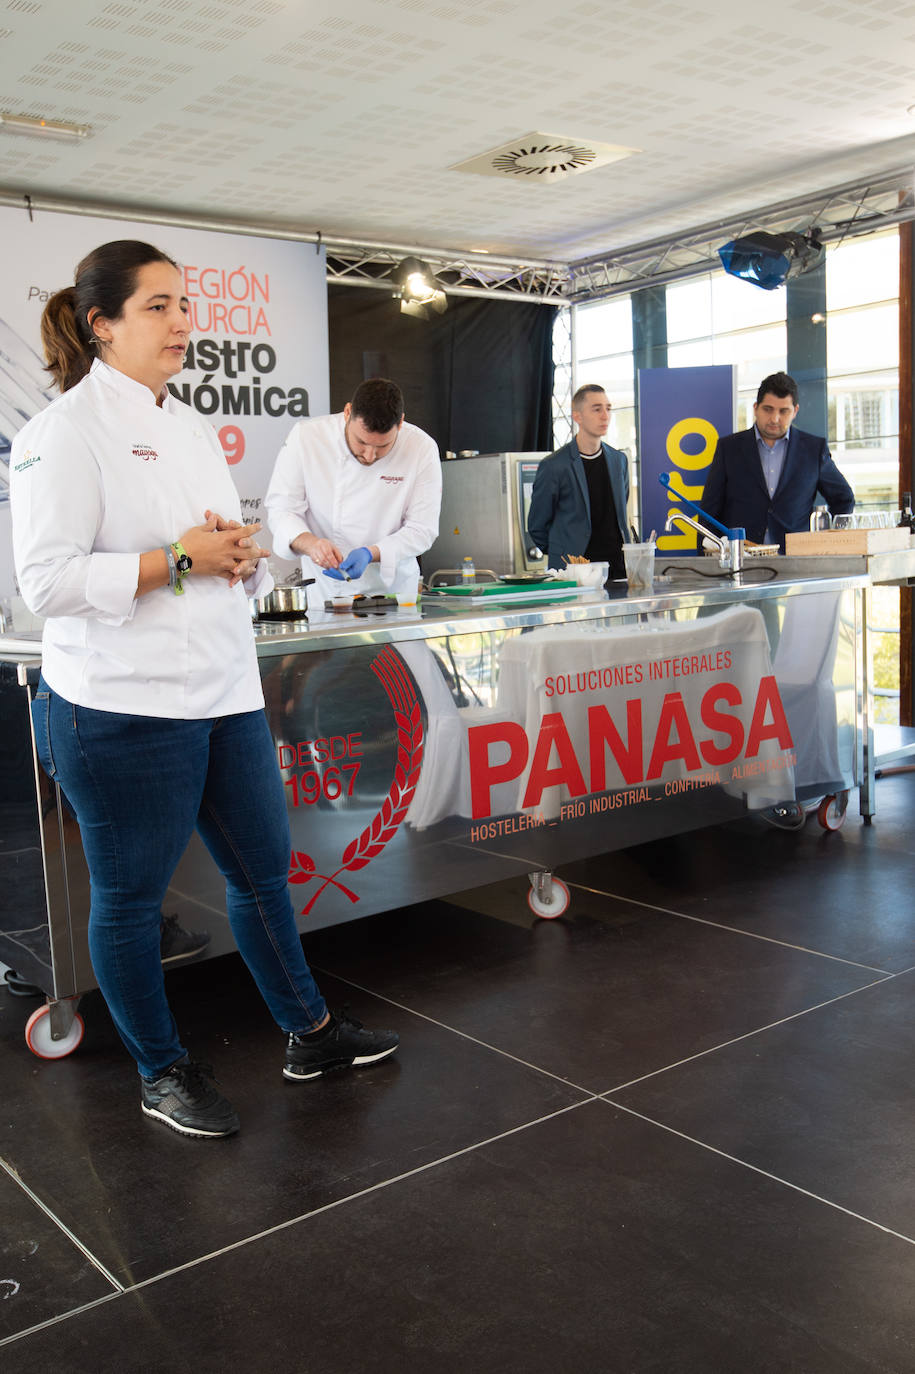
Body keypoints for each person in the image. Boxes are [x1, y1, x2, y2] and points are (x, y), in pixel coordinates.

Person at [10, 239, 398, 1140]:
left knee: (263, 875)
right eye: (159, 306)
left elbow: (210, 555)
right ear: (101, 325)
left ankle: (309, 1033)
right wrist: (182, 556)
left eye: (185, 304)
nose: (184, 321)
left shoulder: (185, 424)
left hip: (223, 694)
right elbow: (50, 583)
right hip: (121, 706)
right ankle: (159, 1069)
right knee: (132, 901)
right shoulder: (58, 434)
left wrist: (243, 557)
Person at [264, 378, 441, 610]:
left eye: (382, 447)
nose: (369, 455)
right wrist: (311, 544)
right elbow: (281, 510)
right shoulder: (307, 437)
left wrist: (372, 553)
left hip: (394, 595)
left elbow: (422, 529)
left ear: (400, 423)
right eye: (361, 442)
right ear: (347, 413)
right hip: (326, 593)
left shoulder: (421, 448)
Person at [701, 371, 854, 550]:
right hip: (742, 560)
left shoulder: (813, 449)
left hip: (795, 562)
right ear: (756, 407)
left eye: (783, 411)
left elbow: (844, 499)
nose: (775, 418)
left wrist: (831, 545)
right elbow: (708, 512)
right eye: (768, 409)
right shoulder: (729, 448)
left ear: (795, 411)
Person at [527, 384, 630, 576]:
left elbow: (621, 509)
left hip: (618, 568)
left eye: (608, 408)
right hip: (574, 571)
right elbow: (537, 526)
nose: (605, 416)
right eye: (597, 409)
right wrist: (563, 551)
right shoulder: (554, 465)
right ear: (577, 416)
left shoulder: (619, 461)